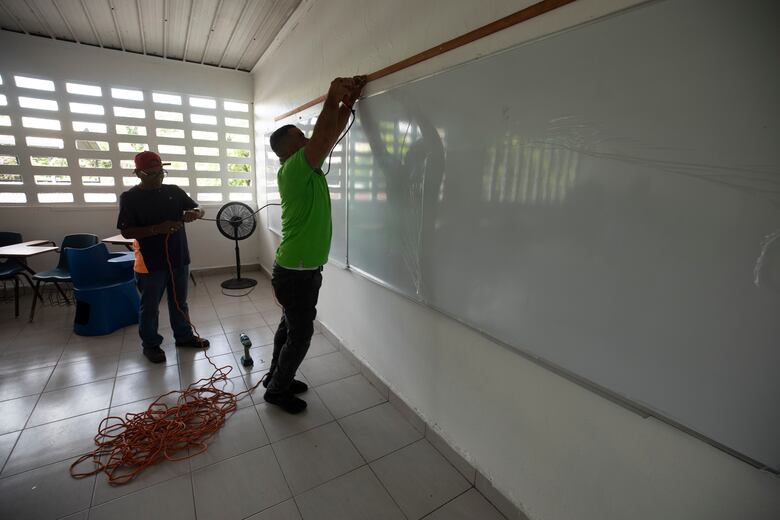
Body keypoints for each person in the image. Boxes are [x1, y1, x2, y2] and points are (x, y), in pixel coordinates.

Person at [263, 76, 366, 413]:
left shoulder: (306, 168)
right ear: (288, 151)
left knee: (288, 327)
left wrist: (347, 105)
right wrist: (332, 98)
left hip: (297, 269)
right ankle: (277, 391)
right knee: (301, 335)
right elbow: (322, 137)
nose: (308, 139)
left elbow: (328, 136)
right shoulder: (293, 170)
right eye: (300, 137)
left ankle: (275, 377)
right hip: (296, 273)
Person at [117, 151, 210, 363]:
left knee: (179, 302)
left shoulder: (174, 191)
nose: (158, 177)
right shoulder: (130, 198)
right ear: (138, 173)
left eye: (161, 172)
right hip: (149, 263)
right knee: (150, 307)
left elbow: (199, 207)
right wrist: (157, 229)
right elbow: (127, 232)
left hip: (179, 257)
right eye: (152, 174)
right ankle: (151, 345)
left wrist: (196, 212)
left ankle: (184, 337)